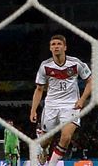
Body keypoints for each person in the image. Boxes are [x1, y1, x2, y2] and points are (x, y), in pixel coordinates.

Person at [30, 34, 92, 166]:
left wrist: (82, 100)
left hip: (71, 105)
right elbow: (39, 89)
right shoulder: (45, 66)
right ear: (50, 48)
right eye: (53, 44)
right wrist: (33, 110)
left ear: (65, 47)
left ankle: (51, 164)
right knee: (45, 141)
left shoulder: (75, 63)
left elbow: (91, 81)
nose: (56, 46)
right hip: (51, 106)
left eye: (59, 44)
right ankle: (43, 148)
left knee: (66, 137)